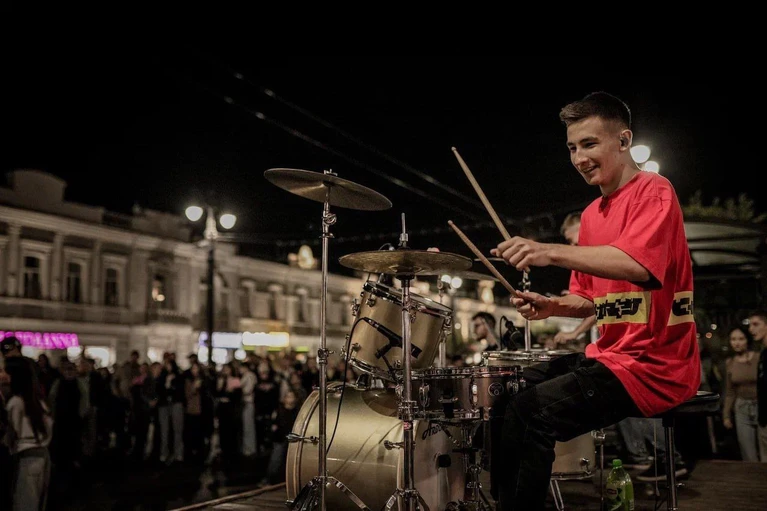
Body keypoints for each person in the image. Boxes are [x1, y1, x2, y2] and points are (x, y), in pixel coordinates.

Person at [488, 91, 700, 510]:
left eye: (589, 144)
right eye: (572, 148)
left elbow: (638, 266)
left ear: (624, 140)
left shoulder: (654, 191)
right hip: (611, 357)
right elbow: (587, 298)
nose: (579, 158)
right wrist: (552, 306)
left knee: (531, 413)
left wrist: (549, 251)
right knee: (505, 393)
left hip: (655, 365)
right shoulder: (589, 215)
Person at [552, 211, 596, 349]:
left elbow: (601, 305)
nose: (571, 247)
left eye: (574, 242)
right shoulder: (577, 267)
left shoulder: (605, 262)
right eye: (569, 242)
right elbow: (589, 301)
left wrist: (575, 333)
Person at [721, 325, 761, 462]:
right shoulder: (730, 363)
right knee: (748, 453)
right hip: (742, 408)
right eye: (733, 339)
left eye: (741, 339)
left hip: (761, 406)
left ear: (747, 340)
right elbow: (730, 391)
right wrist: (726, 415)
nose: (736, 343)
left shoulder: (758, 358)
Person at [747, 311, 767, 459]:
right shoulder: (763, 354)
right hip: (763, 418)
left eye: (756, 324)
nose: (751, 329)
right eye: (750, 325)